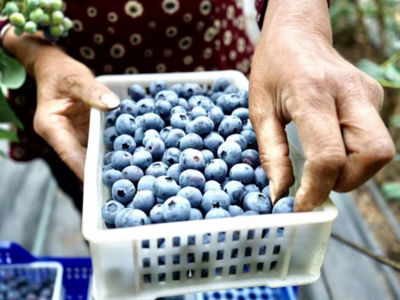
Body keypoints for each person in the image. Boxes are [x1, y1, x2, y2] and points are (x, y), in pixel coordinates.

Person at [1, 0, 395, 214]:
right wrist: (33, 52)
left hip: (209, 60)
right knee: (94, 196)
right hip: (73, 96)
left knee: (259, 172)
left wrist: (298, 19)